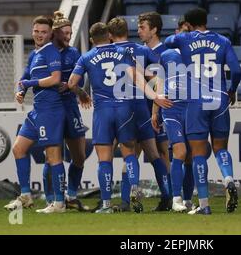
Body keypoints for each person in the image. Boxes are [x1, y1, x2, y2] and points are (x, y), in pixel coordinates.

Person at [68, 22, 173, 213]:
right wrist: (154, 96)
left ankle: (107, 204)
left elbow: (71, 83)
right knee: (139, 152)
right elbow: (143, 76)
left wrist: (81, 93)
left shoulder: (87, 56)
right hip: (133, 109)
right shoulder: (131, 52)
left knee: (104, 158)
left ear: (93, 39)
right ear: (107, 36)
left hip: (104, 111)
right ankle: (154, 192)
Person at [164, 8, 241, 215]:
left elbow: (167, 42)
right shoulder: (223, 41)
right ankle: (228, 179)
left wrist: (185, 34)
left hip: (196, 100)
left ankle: (205, 205)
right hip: (219, 98)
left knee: (198, 153)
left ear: (188, 24)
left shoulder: (185, 39)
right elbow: (236, 70)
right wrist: (232, 90)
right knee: (220, 148)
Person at [108, 17, 171, 212]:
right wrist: (157, 99)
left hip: (122, 108)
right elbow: (160, 77)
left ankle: (128, 199)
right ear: (128, 31)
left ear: (110, 35)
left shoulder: (108, 53)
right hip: (143, 109)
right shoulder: (144, 50)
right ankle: (168, 198)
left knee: (128, 154)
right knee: (154, 154)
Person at [4, 16, 67, 214]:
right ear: (32, 31)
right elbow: (25, 77)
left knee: (53, 156)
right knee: (18, 149)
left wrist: (30, 84)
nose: (39, 35)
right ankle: (25, 195)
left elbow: (56, 79)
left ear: (50, 34)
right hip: (37, 111)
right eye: (36, 31)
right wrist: (21, 91)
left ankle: (59, 204)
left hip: (50, 111)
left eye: (43, 32)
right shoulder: (34, 54)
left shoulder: (52, 52)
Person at [47, 11, 90, 211]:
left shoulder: (73, 53)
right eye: (65, 32)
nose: (68, 36)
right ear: (55, 33)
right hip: (50, 109)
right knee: (52, 157)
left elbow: (79, 79)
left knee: (79, 156)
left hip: (70, 108)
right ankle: (52, 198)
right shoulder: (45, 53)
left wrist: (74, 88)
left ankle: (71, 196)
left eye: (70, 32)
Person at [151, 18, 195, 212]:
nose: (184, 36)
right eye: (182, 31)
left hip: (193, 108)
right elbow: (160, 82)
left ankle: (186, 200)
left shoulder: (196, 54)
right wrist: (155, 110)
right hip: (171, 107)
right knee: (180, 151)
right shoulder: (166, 54)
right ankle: (175, 199)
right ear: (176, 32)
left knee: (190, 156)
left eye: (188, 32)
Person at [137, 12, 173, 209]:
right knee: (133, 153)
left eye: (143, 27)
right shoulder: (139, 51)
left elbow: (163, 83)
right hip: (139, 108)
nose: (139, 31)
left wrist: (156, 111)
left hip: (159, 109)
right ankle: (130, 198)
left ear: (154, 30)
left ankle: (171, 197)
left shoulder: (165, 52)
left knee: (163, 152)